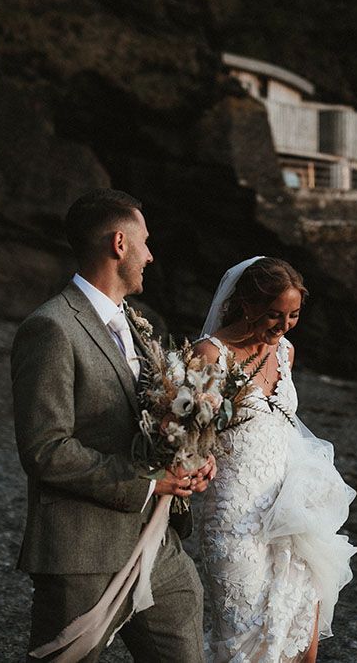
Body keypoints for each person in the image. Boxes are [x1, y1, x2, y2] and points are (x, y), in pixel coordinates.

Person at [11, 189, 212, 662]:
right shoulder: (52, 328)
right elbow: (45, 449)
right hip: (82, 551)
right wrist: (148, 481)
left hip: (158, 546)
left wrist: (194, 459)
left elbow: (157, 420)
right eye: (145, 242)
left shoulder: (139, 325)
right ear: (119, 244)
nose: (150, 255)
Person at [193, 256, 357, 663]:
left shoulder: (286, 353)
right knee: (245, 637)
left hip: (291, 514)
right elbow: (185, 434)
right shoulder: (209, 356)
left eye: (294, 315)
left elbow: (283, 428)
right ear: (246, 305)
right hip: (235, 517)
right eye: (274, 315)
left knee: (297, 629)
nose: (284, 326)